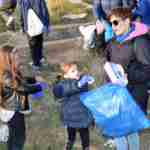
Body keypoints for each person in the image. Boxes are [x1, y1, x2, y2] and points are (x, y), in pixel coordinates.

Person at [104, 7, 150, 150]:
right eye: (111, 23)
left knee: (126, 131)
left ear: (127, 21)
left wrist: (128, 75)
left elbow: (147, 70)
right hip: (116, 93)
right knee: (123, 131)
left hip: (133, 94)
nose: (113, 26)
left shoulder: (140, 42)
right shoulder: (113, 41)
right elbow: (108, 63)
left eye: (116, 22)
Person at [0, 45, 42, 150]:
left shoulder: (11, 70)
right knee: (18, 138)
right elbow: (23, 88)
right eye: (16, 57)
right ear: (8, 59)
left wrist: (33, 79)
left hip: (15, 106)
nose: (19, 58)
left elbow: (21, 80)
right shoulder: (6, 76)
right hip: (12, 111)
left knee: (15, 134)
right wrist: (39, 87)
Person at [53, 63, 94, 150]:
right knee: (71, 131)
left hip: (82, 113)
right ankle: (70, 142)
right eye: (73, 71)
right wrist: (78, 85)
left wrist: (86, 80)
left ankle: (86, 147)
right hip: (70, 114)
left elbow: (85, 92)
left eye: (76, 70)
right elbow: (64, 90)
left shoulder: (79, 79)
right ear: (65, 75)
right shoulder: (60, 85)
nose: (76, 72)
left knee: (84, 133)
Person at [18, 0, 50, 70]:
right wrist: (47, 24)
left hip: (29, 26)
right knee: (39, 41)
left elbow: (21, 13)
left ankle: (36, 64)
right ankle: (40, 58)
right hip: (40, 24)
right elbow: (44, 10)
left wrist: (22, 26)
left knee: (33, 46)